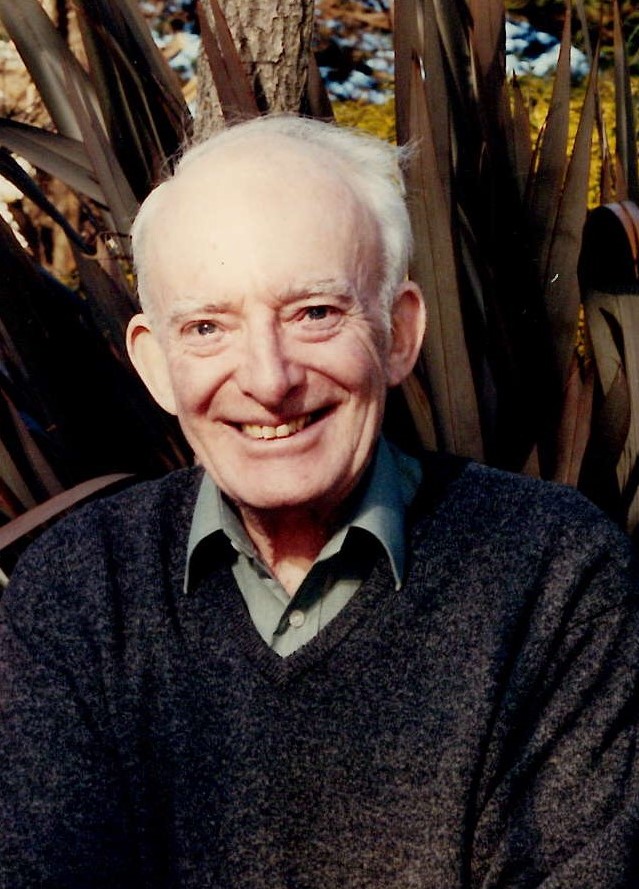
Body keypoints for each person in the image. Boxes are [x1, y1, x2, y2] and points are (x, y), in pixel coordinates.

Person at [1, 114, 639, 889]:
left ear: (398, 333)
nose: (268, 378)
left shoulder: (554, 574)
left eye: (314, 313)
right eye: (207, 327)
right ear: (156, 363)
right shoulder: (75, 592)